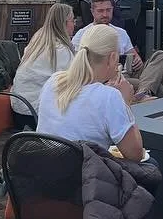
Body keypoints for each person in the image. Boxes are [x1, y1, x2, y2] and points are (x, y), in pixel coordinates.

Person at [34, 23, 145, 162]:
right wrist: (126, 105)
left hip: (46, 168)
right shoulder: (110, 97)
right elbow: (136, 155)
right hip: (87, 177)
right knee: (151, 165)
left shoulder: (53, 81)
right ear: (112, 58)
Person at [74, 0, 163, 98]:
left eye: (108, 10)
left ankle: (143, 93)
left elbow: (134, 55)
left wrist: (137, 59)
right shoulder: (83, 34)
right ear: (92, 12)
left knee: (162, 55)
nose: (105, 14)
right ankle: (145, 92)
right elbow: (77, 63)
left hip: (130, 71)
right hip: (109, 77)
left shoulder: (121, 32)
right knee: (158, 87)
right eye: (100, 11)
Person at [10, 2, 75, 127]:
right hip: (36, 115)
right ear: (64, 23)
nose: (74, 25)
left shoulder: (39, 39)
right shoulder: (61, 50)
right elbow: (75, 81)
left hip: (18, 108)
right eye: (72, 21)